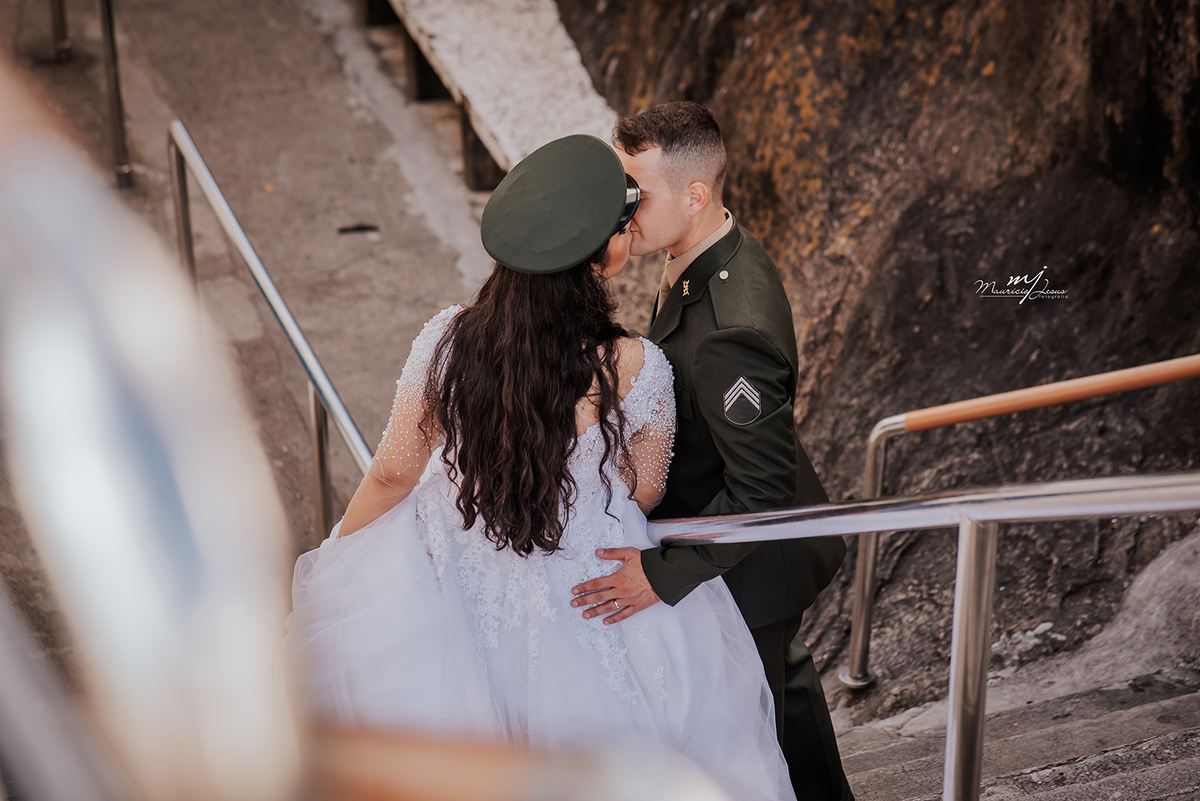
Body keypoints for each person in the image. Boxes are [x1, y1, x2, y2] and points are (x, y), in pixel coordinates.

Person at [283, 134, 796, 801]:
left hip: (454, 579)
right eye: (621, 220)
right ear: (602, 259)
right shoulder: (638, 367)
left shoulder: (444, 344)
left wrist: (337, 559)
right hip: (593, 589)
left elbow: (390, 476)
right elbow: (643, 490)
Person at [568, 102, 854, 800]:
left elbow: (761, 489)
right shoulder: (701, 256)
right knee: (781, 697)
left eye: (637, 192)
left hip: (750, 560)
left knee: (765, 722)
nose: (622, 209)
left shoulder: (732, 326)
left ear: (695, 195)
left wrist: (660, 575)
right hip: (724, 535)